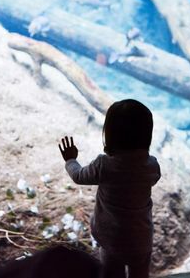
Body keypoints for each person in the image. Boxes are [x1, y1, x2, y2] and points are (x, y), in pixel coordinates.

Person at [58, 99, 161, 278]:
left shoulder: (104, 165)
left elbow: (79, 176)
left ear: (110, 134)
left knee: (111, 275)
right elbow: (153, 178)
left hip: (111, 238)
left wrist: (70, 160)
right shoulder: (151, 166)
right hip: (141, 238)